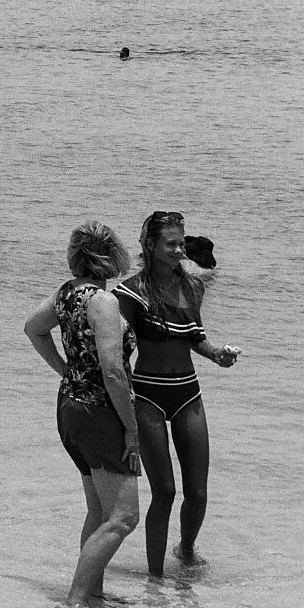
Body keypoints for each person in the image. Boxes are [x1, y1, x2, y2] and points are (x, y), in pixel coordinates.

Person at [23, 220, 141, 608]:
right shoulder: (103, 302)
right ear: (112, 255)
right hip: (99, 413)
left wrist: (66, 371)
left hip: (71, 407)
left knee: (99, 511)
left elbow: (33, 329)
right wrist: (132, 429)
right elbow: (113, 371)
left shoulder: (67, 293)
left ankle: (93, 593)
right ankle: (75, 599)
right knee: (124, 517)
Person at [115, 211, 240, 577]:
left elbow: (195, 336)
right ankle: (155, 579)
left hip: (187, 392)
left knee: (198, 492)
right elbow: (117, 351)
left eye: (181, 243)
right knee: (165, 492)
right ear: (149, 245)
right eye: (169, 244)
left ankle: (185, 552)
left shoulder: (193, 287)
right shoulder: (130, 292)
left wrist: (216, 353)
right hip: (148, 395)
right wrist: (120, 406)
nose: (178, 250)